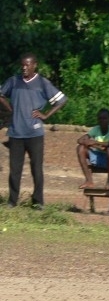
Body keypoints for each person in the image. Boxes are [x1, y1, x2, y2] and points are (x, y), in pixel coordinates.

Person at [0, 53, 67, 208]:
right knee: (15, 170)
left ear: (34, 65)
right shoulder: (14, 81)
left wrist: (46, 115)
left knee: (36, 168)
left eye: (28, 64)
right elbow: (1, 95)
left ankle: (38, 202)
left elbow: (61, 100)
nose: (24, 68)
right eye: (22, 65)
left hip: (35, 133)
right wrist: (10, 110)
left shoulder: (42, 83)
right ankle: (12, 201)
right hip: (16, 132)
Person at [76, 108, 109, 189]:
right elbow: (80, 140)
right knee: (80, 148)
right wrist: (91, 144)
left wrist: (96, 143)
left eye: (105, 118)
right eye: (100, 118)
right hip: (99, 157)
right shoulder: (96, 129)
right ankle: (89, 181)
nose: (102, 121)